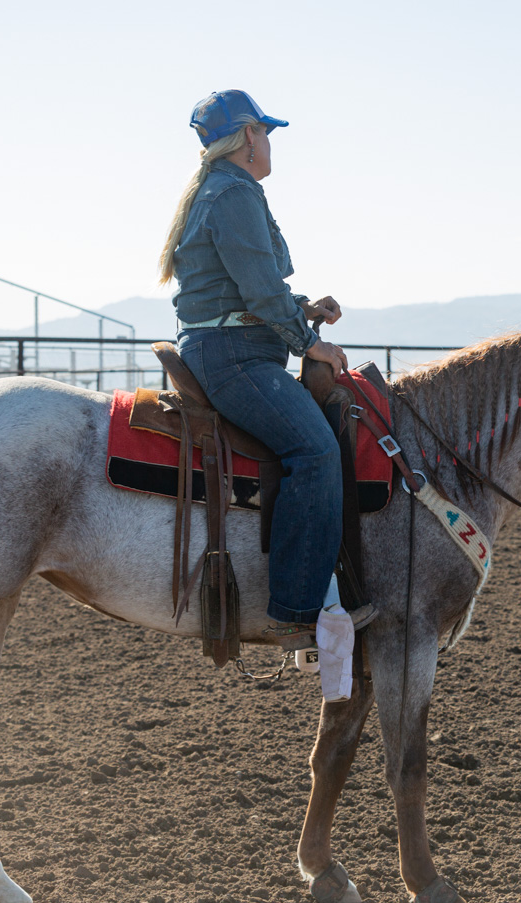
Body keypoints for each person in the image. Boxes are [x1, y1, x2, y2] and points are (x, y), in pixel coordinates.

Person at [158, 90, 369, 650]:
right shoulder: (234, 194)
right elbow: (254, 288)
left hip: (226, 344)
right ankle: (296, 609)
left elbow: (248, 288)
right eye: (266, 132)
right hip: (234, 356)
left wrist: (299, 306)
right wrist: (309, 343)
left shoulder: (219, 191)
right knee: (317, 451)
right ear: (249, 135)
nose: (270, 142)